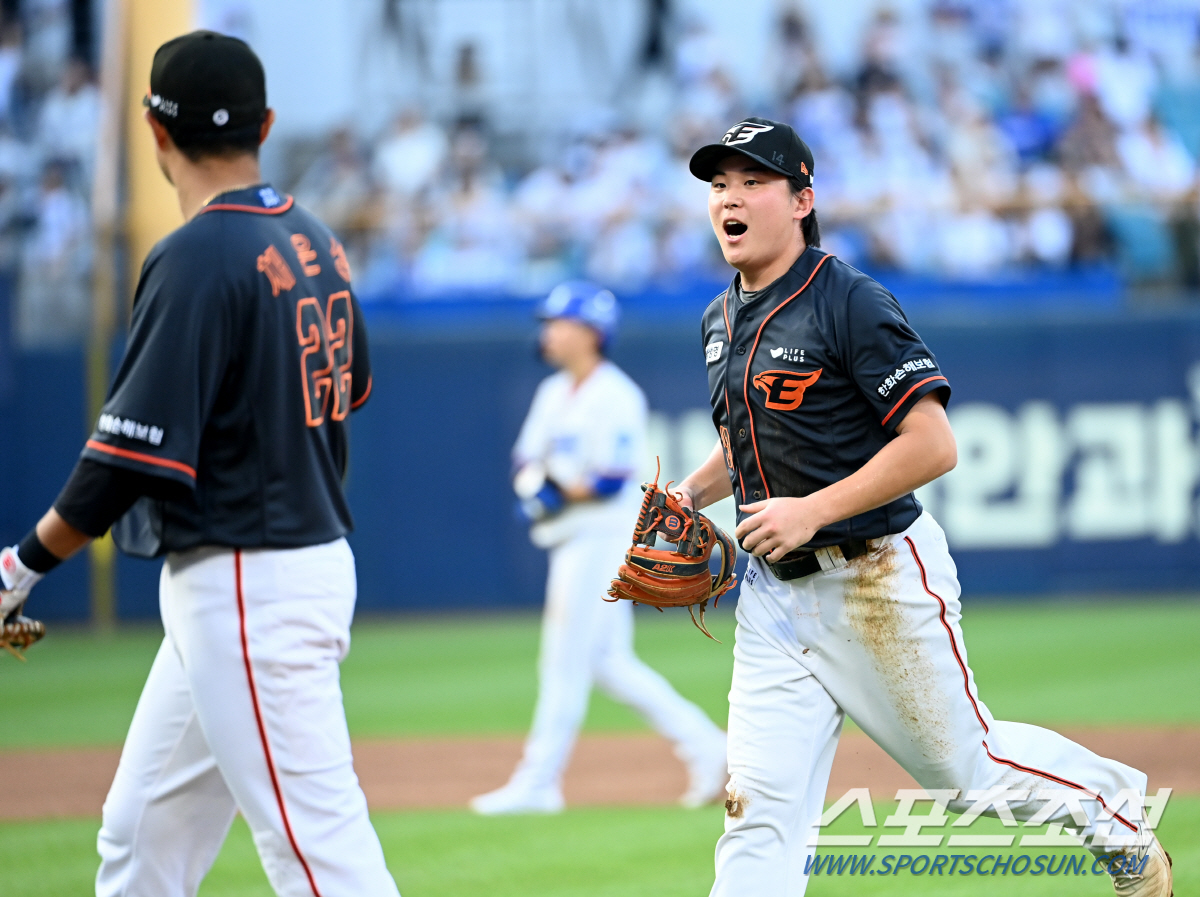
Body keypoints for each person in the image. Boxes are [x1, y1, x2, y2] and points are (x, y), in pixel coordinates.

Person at [676, 117, 1172, 896]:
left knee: (966, 773)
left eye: (752, 182)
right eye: (718, 185)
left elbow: (932, 442)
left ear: (803, 199)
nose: (729, 199)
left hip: (874, 576)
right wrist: (692, 492)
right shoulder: (721, 316)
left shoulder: (849, 300)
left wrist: (811, 510)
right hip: (772, 599)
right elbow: (752, 431)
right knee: (757, 809)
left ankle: (1111, 811)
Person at [0, 32, 401, 896]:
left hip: (251, 579)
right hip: (276, 566)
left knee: (320, 857)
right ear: (265, 122)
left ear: (154, 131)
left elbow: (121, 462)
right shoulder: (315, 239)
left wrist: (20, 565)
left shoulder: (192, 255)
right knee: (140, 835)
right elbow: (351, 389)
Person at [469, 280, 728, 815]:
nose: (549, 332)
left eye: (558, 322)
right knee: (610, 664)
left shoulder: (616, 394)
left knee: (564, 662)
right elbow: (525, 464)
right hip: (570, 537)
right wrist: (538, 486)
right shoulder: (552, 392)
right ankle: (711, 750)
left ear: (590, 332)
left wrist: (551, 489)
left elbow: (608, 481)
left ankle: (540, 781)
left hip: (601, 539)